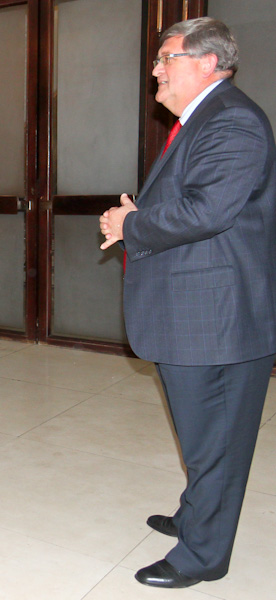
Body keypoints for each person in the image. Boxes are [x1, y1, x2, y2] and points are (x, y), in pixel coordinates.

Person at [99, 17, 276, 589]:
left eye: (165, 58)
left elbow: (208, 211)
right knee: (203, 437)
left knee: (217, 441)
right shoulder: (202, 120)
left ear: (208, 62)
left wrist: (131, 223)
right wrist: (137, 216)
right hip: (196, 314)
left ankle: (203, 556)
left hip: (218, 318)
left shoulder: (233, 121)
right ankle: (197, 515)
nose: (155, 68)